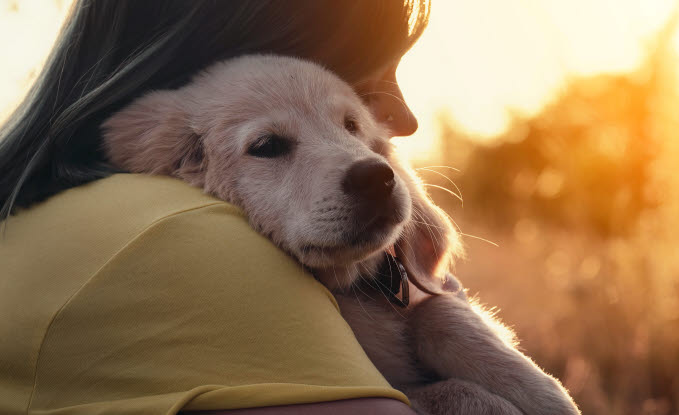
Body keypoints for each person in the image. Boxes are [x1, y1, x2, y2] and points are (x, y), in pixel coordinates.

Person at [0, 1, 428, 414]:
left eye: (349, 123)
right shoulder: (187, 235)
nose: (406, 119)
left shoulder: (53, 214)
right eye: (368, 79)